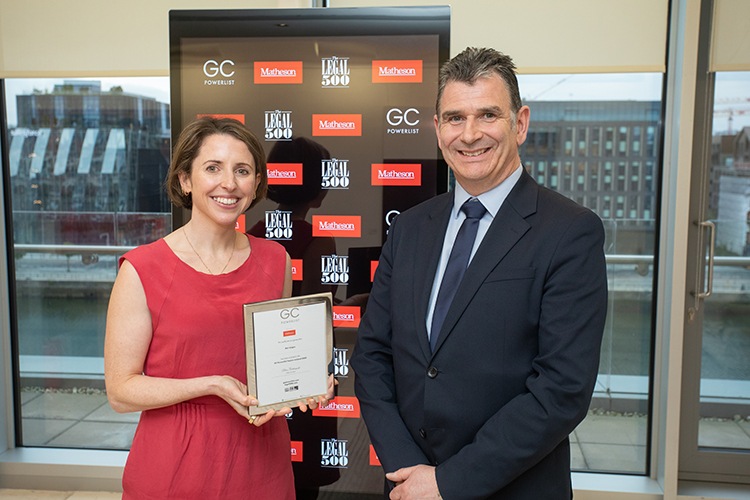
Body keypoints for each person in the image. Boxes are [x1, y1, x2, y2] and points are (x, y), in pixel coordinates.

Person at [350, 47, 608, 500]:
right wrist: (408, 470)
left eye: (488, 115)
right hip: (410, 485)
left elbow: (562, 389)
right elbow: (372, 354)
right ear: (438, 129)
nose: (469, 134)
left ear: (520, 123)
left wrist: (447, 482)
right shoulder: (409, 227)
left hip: (513, 488)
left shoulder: (570, 231)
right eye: (455, 118)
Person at [104, 117, 334, 499]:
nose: (229, 183)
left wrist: (306, 381)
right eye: (213, 168)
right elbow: (120, 391)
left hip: (261, 465)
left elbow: (278, 359)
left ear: (256, 183)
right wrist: (211, 385)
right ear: (185, 179)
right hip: (175, 466)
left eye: (242, 171)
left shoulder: (275, 260)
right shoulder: (142, 269)